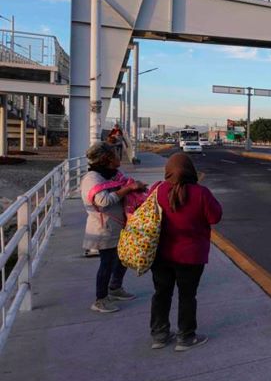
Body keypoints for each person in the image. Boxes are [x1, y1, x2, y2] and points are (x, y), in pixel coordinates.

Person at [149, 153, 223, 351]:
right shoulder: (201, 193)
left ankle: (159, 335)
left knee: (161, 294)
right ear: (191, 170)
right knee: (187, 296)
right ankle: (186, 337)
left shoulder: (158, 190)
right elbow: (215, 217)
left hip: (161, 255)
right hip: (191, 257)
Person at [81, 142, 145, 313]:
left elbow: (124, 185)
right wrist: (128, 189)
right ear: (107, 159)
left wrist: (137, 188)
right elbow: (102, 201)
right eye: (116, 155)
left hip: (118, 227)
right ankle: (100, 300)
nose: (119, 158)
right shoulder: (93, 178)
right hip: (104, 230)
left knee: (122, 259)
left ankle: (115, 288)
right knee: (107, 263)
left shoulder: (113, 175)